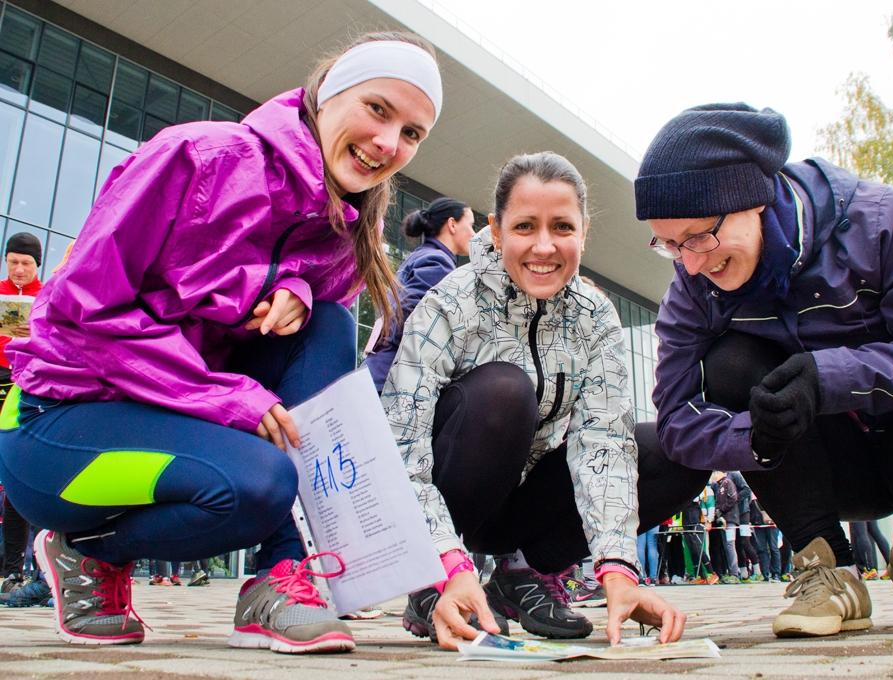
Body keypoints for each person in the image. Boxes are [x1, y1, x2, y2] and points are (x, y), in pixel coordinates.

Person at [0, 31, 444, 651]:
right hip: (57, 426)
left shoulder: (338, 237)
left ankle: (279, 578)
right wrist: (225, 396)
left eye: (412, 133)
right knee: (261, 482)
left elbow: (279, 313)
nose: (389, 143)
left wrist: (302, 289)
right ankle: (83, 551)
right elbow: (82, 313)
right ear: (327, 95)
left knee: (329, 326)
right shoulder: (198, 156)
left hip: (172, 419)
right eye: (377, 109)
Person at [633, 103, 893, 637]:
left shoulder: (884, 223)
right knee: (731, 363)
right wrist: (757, 433)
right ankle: (826, 565)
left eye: (699, 236)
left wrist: (829, 376)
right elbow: (676, 419)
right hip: (816, 467)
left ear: (756, 201)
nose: (692, 263)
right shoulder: (694, 284)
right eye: (670, 246)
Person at [382, 151, 687, 650]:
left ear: (583, 233)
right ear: (496, 232)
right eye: (525, 226)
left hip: (521, 506)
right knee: (507, 389)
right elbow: (402, 440)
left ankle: (520, 574)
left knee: (673, 448)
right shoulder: (451, 303)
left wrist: (618, 571)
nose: (544, 247)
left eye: (562, 227)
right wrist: (444, 561)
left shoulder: (596, 316)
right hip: (451, 499)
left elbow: (603, 442)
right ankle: (433, 584)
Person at [364, 197, 476, 391]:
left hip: (379, 372)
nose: (474, 234)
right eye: (471, 225)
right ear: (452, 224)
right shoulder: (438, 261)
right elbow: (413, 320)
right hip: (392, 378)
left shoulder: (421, 255)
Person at [0, 233, 46, 605]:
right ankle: (9, 570)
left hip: (27, 388)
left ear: (36, 265)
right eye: (13, 261)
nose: (18, 269)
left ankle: (24, 570)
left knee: (20, 479)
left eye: (26, 263)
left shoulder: (47, 296)